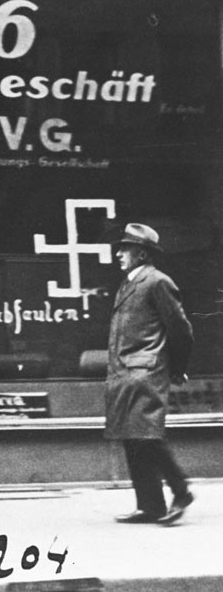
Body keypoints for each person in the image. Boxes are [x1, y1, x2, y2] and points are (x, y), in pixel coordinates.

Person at [105, 223, 195, 525]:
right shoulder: (130, 282)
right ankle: (150, 505)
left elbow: (181, 329)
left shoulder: (157, 282)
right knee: (132, 438)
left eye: (125, 249)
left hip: (145, 371)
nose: (119, 254)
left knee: (146, 436)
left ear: (141, 253)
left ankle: (181, 491)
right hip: (125, 372)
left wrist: (178, 368)